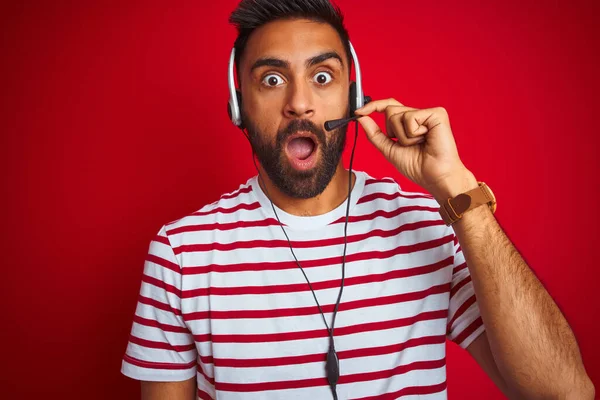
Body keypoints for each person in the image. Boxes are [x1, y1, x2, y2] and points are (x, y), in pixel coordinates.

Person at [121, 1, 595, 399]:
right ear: (237, 103)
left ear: (354, 94)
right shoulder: (181, 254)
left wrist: (457, 188)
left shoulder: (428, 224)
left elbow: (563, 392)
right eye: (271, 79)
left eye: (323, 77)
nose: (301, 102)